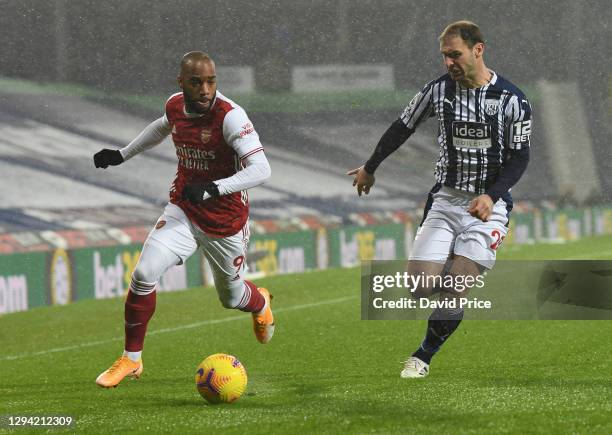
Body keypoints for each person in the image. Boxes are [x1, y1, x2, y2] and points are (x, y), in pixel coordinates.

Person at [348, 21, 531, 378]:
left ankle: (422, 356)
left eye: (455, 54)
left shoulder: (511, 99)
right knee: (419, 288)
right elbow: (403, 125)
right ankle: (454, 263)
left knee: (453, 290)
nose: (449, 62)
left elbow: (520, 156)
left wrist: (491, 196)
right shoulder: (439, 91)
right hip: (446, 200)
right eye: (445, 56)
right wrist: (370, 167)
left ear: (478, 50)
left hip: (489, 209)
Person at [93, 51, 275, 388]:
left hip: (224, 221)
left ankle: (260, 301)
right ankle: (131, 360)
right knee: (144, 273)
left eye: (211, 81)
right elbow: (161, 127)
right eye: (196, 82)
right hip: (184, 209)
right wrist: (122, 154)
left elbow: (262, 170)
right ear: (182, 83)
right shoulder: (176, 105)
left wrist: (213, 188)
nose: (206, 89)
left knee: (231, 298)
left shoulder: (231, 117)